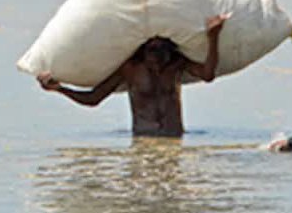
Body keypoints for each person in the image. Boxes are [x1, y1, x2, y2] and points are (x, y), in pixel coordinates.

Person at [36, 14, 230, 138]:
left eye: (162, 50)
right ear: (143, 50)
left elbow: (208, 74)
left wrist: (213, 38)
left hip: (174, 139)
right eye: (152, 50)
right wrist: (59, 89)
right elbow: (93, 98)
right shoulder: (130, 69)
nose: (157, 56)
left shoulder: (176, 65)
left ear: (170, 50)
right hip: (144, 140)